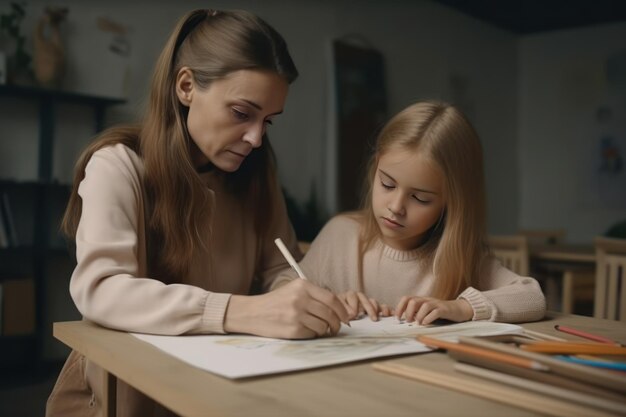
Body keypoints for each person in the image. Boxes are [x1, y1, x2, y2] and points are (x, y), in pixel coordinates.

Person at [46, 9, 349, 417]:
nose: (256, 139)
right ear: (186, 86)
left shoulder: (257, 173)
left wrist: (295, 299)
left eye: (268, 122)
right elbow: (102, 290)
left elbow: (280, 267)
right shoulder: (118, 166)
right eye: (242, 113)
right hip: (124, 397)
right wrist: (242, 311)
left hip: (222, 387)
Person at [274, 101, 546, 325]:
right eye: (387, 184)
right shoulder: (341, 233)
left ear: (452, 203)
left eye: (420, 198)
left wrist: (462, 307)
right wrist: (324, 301)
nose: (396, 206)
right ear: (374, 169)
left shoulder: (458, 255)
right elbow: (282, 285)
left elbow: (532, 297)